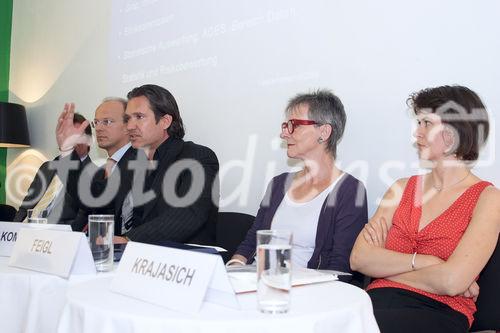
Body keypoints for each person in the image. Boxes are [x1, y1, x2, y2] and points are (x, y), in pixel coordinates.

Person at [349, 85, 500, 332]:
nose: (417, 134)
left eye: (426, 123)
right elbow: (358, 259)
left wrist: (383, 269)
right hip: (375, 302)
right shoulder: (400, 188)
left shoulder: (489, 198)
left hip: (438, 310)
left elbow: (452, 283)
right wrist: (429, 262)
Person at [229, 90, 367, 274]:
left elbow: (340, 268)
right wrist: (233, 269)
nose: (283, 134)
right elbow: (251, 242)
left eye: (294, 125)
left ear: (324, 132)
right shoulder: (278, 184)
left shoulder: (350, 191)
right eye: (285, 125)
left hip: (307, 291)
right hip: (258, 282)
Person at [108, 84, 219, 245]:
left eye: (139, 117)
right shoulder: (132, 160)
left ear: (165, 121)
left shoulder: (197, 157)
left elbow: (188, 215)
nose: (130, 126)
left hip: (180, 260)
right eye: (128, 119)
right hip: (129, 258)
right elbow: (99, 199)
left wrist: (129, 240)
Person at [13, 112, 93, 229]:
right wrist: (12, 231)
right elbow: (25, 208)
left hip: (57, 236)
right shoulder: (47, 167)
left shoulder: (94, 175)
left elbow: (82, 220)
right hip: (26, 231)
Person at [71, 97, 136, 233]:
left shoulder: (141, 164)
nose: (98, 128)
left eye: (107, 122)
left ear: (127, 126)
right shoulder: (100, 172)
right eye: (96, 122)